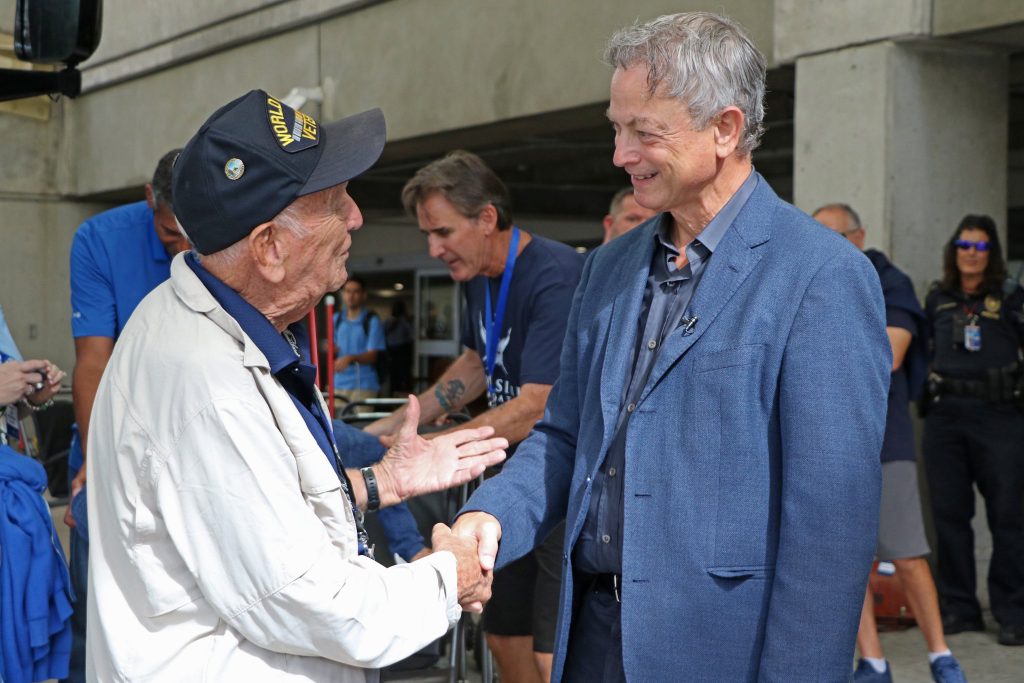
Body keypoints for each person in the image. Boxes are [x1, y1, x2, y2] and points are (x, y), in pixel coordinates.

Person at [452, 13, 891, 682]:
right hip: (592, 642)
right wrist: (491, 512)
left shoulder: (821, 277)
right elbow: (565, 434)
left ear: (726, 128)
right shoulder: (607, 269)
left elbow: (828, 533)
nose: (620, 155)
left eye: (644, 132)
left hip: (722, 654)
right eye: (616, 129)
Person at [86, 89, 507, 680]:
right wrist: (448, 574)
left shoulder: (211, 326)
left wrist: (380, 481)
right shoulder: (205, 384)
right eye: (335, 201)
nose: (357, 216)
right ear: (270, 249)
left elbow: (259, 510)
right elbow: (312, 602)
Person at [364, 150, 584, 682]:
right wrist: (395, 426)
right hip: (511, 482)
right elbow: (475, 363)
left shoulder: (553, 274)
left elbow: (537, 404)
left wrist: (440, 448)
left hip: (562, 481)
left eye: (442, 232)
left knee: (553, 652)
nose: (434, 249)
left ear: (487, 218)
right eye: (427, 236)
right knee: (505, 634)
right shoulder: (478, 277)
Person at [815, 204, 966, 683]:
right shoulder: (808, 276)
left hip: (884, 438)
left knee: (905, 552)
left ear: (858, 236)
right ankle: (873, 662)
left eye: (835, 235)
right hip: (823, 440)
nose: (824, 245)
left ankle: (940, 654)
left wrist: (819, 351)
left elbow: (890, 354)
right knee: (846, 558)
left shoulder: (887, 278)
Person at [62, 147, 187, 683]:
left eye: (193, 235)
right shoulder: (100, 240)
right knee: (98, 610)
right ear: (148, 201)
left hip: (192, 439)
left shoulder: (232, 234)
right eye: (169, 235)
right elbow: (93, 361)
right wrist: (98, 460)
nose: (184, 248)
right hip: (110, 436)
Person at [922, 214, 1024, 648]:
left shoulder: (1010, 296)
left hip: (999, 415)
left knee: (1008, 517)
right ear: (953, 250)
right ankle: (959, 608)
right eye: (964, 245)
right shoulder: (938, 298)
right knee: (949, 517)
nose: (971, 254)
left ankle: (1013, 612)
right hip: (946, 418)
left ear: (992, 253)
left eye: (980, 247)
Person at [334, 275, 386, 404]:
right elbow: (333, 346)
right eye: (347, 291)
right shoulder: (336, 319)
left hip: (364, 384)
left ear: (363, 295)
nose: (351, 296)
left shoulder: (371, 320)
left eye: (356, 291)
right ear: (342, 294)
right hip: (338, 382)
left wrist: (350, 358)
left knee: (359, 424)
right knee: (334, 424)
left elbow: (372, 356)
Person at [384, 299, 415, 395]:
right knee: (393, 375)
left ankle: (403, 394)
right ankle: (392, 395)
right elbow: (383, 333)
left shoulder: (404, 321)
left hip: (403, 350)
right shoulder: (389, 321)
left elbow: (411, 334)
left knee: (403, 375)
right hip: (391, 350)